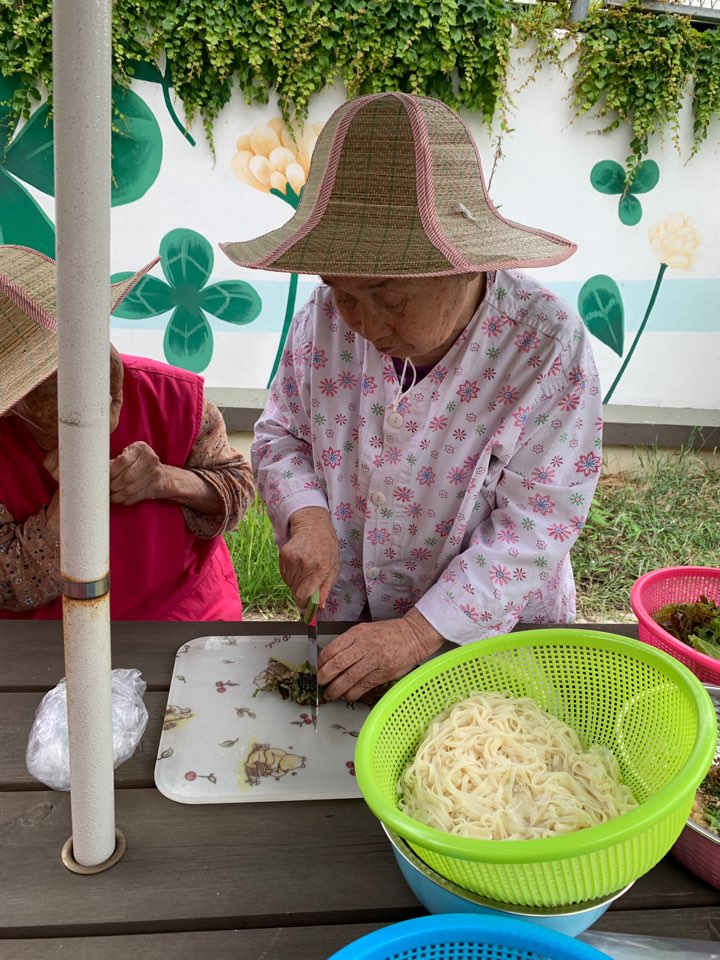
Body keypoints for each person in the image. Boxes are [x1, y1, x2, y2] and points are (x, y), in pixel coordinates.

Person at [220, 92, 603, 700]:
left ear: (466, 267)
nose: (361, 321)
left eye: (389, 297)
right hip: (353, 621)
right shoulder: (323, 319)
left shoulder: (546, 346)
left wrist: (418, 633)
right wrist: (307, 514)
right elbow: (281, 434)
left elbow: (540, 519)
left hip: (492, 636)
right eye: (339, 289)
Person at [0, 245, 254, 620]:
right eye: (52, 374)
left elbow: (238, 490)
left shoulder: (173, 396)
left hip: (183, 612)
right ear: (14, 399)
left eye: (88, 347)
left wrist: (164, 480)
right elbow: (7, 584)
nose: (89, 381)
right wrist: (70, 504)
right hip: (51, 634)